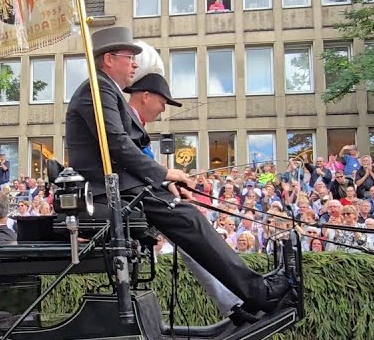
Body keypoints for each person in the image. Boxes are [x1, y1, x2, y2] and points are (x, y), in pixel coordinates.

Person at [64, 26, 288, 318]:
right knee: (189, 217)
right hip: (112, 194)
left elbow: (120, 148)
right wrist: (165, 174)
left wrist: (161, 180)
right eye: (129, 57)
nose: (134, 64)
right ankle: (257, 293)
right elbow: (117, 145)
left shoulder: (105, 90)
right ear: (108, 59)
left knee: (187, 216)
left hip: (124, 189)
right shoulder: (98, 89)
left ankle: (241, 298)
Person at [125, 64, 246, 321]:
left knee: (191, 236)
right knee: (191, 224)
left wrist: (167, 182)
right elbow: (130, 162)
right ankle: (240, 297)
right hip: (133, 202)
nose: (164, 108)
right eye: (163, 101)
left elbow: (141, 166)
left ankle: (233, 301)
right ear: (146, 95)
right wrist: (167, 177)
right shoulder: (126, 119)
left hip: (142, 197)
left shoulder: (134, 122)